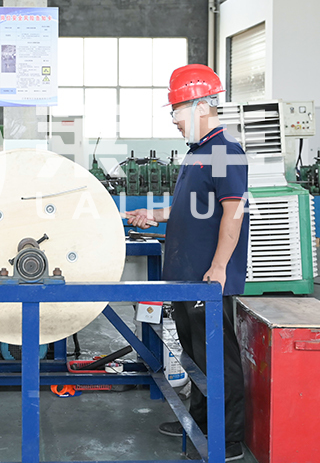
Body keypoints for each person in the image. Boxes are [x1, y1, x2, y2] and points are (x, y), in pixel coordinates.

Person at [126, 64, 248, 462]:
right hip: (186, 275)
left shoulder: (225, 152)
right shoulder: (198, 153)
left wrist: (219, 267)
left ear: (201, 106)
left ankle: (227, 440)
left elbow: (233, 212)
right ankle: (199, 424)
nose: (175, 120)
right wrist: (155, 215)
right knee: (196, 357)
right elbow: (193, 208)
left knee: (217, 358)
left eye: (177, 110)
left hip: (206, 277)